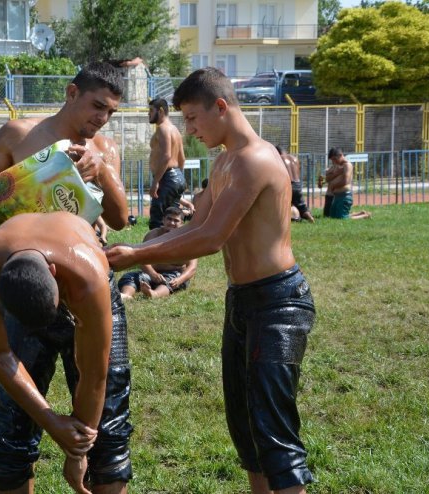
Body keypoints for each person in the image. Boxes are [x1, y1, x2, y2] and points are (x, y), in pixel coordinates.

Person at [106, 67, 316, 494]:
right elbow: (194, 226)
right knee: (247, 431)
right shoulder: (225, 162)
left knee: (274, 434)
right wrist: (146, 240)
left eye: (193, 117)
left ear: (221, 107)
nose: (190, 129)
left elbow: (210, 238)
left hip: (278, 303)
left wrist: (138, 255)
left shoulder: (255, 159)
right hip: (243, 301)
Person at [0, 212, 132, 494]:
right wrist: (51, 422)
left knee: (107, 431)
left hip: (83, 282)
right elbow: (0, 356)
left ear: (54, 273)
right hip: (28, 291)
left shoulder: (87, 278)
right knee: (9, 432)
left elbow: (94, 375)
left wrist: (78, 451)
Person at [0, 61, 128, 232]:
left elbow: (119, 221)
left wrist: (101, 171)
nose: (103, 118)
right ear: (72, 94)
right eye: (98, 106)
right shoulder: (19, 135)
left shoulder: (105, 149)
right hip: (22, 250)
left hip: (76, 251)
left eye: (110, 112)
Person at [118, 207, 197, 300]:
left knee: (170, 283)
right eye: (169, 219)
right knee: (130, 277)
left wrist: (180, 280)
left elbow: (192, 267)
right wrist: (152, 273)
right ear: (163, 220)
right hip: (151, 275)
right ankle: (127, 295)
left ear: (182, 223)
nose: (172, 223)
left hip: (175, 276)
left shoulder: (187, 239)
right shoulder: (152, 235)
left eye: (176, 220)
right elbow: (140, 258)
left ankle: (154, 294)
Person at [147, 98, 187, 229]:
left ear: (161, 111)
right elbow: (182, 159)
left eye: (151, 110)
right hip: (176, 177)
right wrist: (179, 179)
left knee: (158, 220)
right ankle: (174, 247)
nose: (149, 113)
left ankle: (152, 249)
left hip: (167, 178)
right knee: (173, 221)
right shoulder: (175, 129)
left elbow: (166, 156)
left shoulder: (163, 129)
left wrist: (156, 182)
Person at [324, 148, 371, 220]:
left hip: (344, 196)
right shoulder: (337, 166)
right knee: (333, 216)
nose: (334, 162)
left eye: (334, 159)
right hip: (337, 196)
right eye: (332, 160)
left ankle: (365, 216)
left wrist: (333, 185)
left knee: (342, 218)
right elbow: (327, 178)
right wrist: (336, 173)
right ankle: (360, 213)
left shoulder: (347, 165)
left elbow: (346, 181)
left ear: (340, 155)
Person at [276, 145, 315, 223]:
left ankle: (287, 219)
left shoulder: (279, 158)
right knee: (302, 205)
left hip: (288, 184)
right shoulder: (295, 159)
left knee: (284, 203)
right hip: (297, 183)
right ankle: (310, 217)